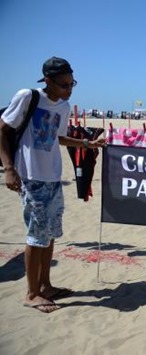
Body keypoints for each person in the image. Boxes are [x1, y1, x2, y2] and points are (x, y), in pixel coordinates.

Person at [0, 57, 106, 313]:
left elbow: (57, 137)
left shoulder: (64, 106)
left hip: (53, 176)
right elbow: (3, 128)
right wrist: (9, 169)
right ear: (48, 80)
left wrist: (86, 145)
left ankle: (45, 285)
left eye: (72, 84)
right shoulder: (29, 97)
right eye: (63, 85)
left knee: (48, 234)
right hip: (30, 175)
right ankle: (31, 293)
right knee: (36, 235)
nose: (68, 89)